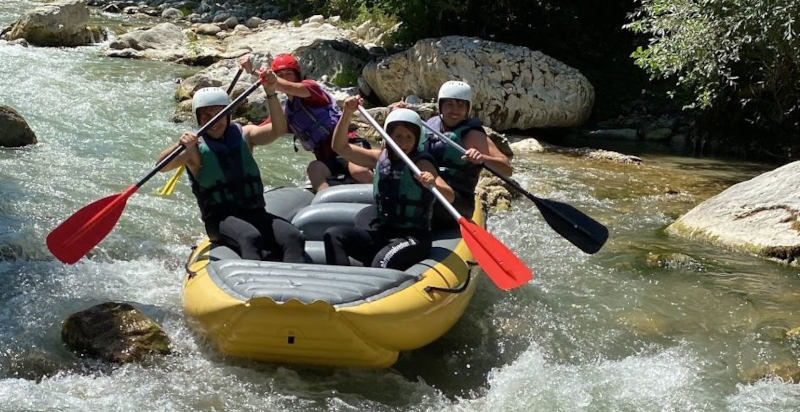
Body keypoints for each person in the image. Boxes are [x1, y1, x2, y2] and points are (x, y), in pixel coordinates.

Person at [156, 70, 305, 263]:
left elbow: (278, 129)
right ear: (198, 118)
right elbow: (161, 166)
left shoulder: (245, 135)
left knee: (294, 236)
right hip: (220, 221)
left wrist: (271, 93)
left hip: (255, 212)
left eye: (219, 114)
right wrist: (179, 145)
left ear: (228, 115)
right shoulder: (195, 148)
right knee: (250, 237)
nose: (213, 121)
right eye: (206, 115)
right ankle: (252, 289)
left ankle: (295, 285)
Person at [323, 96, 455, 270]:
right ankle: (339, 283)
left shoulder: (421, 164)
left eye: (409, 137)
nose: (404, 142)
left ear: (417, 139)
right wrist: (347, 113)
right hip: (383, 233)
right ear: (388, 136)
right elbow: (340, 147)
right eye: (398, 136)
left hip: (413, 238)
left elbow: (450, 196)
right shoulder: (379, 158)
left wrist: (433, 183)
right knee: (333, 235)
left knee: (380, 263)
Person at [239, 53, 373, 192]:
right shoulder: (288, 114)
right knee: (314, 170)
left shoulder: (310, 88)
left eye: (288, 73)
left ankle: (381, 195)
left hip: (349, 145)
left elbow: (289, 87)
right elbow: (267, 129)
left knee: (358, 171)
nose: (284, 77)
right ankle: (325, 204)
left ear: (297, 75)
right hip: (326, 156)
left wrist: (257, 73)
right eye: (280, 74)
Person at [421, 80, 512, 230]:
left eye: (460, 105)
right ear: (440, 106)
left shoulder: (473, 135)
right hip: (430, 186)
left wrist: (482, 158)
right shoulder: (430, 125)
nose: (455, 110)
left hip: (458, 199)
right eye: (449, 104)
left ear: (467, 108)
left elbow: (507, 169)